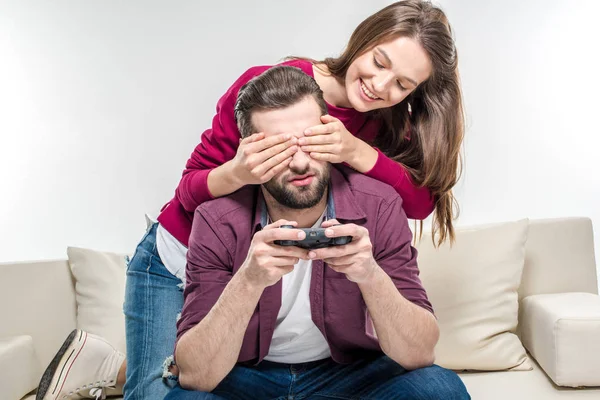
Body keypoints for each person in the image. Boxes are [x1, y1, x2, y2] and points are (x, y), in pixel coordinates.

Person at [35, 1, 464, 399]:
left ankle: (121, 364)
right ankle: (123, 367)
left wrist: (357, 152)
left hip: (255, 253)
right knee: (159, 390)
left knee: (187, 365)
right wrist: (238, 172)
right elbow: (188, 193)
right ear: (364, 41)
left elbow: (419, 202)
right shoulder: (269, 89)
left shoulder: (380, 125)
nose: (379, 84)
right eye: (379, 62)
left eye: (402, 83)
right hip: (180, 252)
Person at [167, 65, 469, 399]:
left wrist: (369, 274)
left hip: (346, 375)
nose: (299, 164)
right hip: (249, 376)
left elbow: (420, 354)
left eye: (310, 143)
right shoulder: (216, 218)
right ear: (250, 154)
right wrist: (249, 280)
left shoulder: (379, 205)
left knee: (440, 389)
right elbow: (195, 375)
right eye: (278, 150)